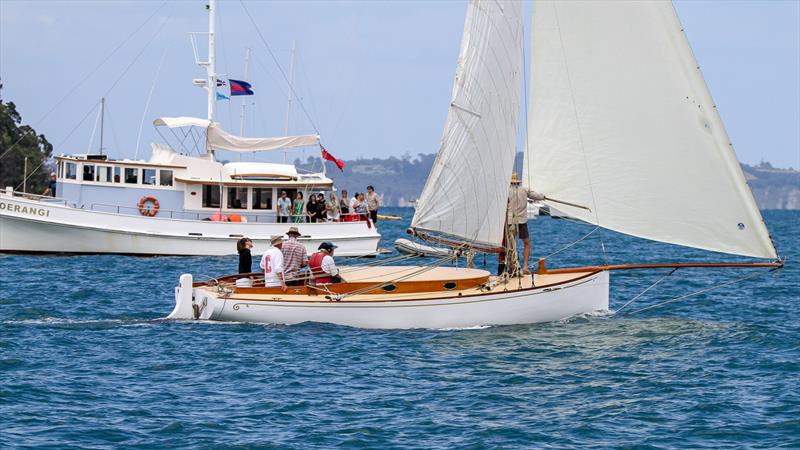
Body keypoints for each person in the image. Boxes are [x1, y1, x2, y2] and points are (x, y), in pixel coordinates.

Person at [500, 171, 546, 275]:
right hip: (522, 221)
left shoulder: (505, 191)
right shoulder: (524, 190)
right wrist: (543, 196)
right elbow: (538, 196)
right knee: (526, 243)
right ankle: (525, 266)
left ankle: (511, 268)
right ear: (518, 181)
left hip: (510, 222)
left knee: (510, 245)